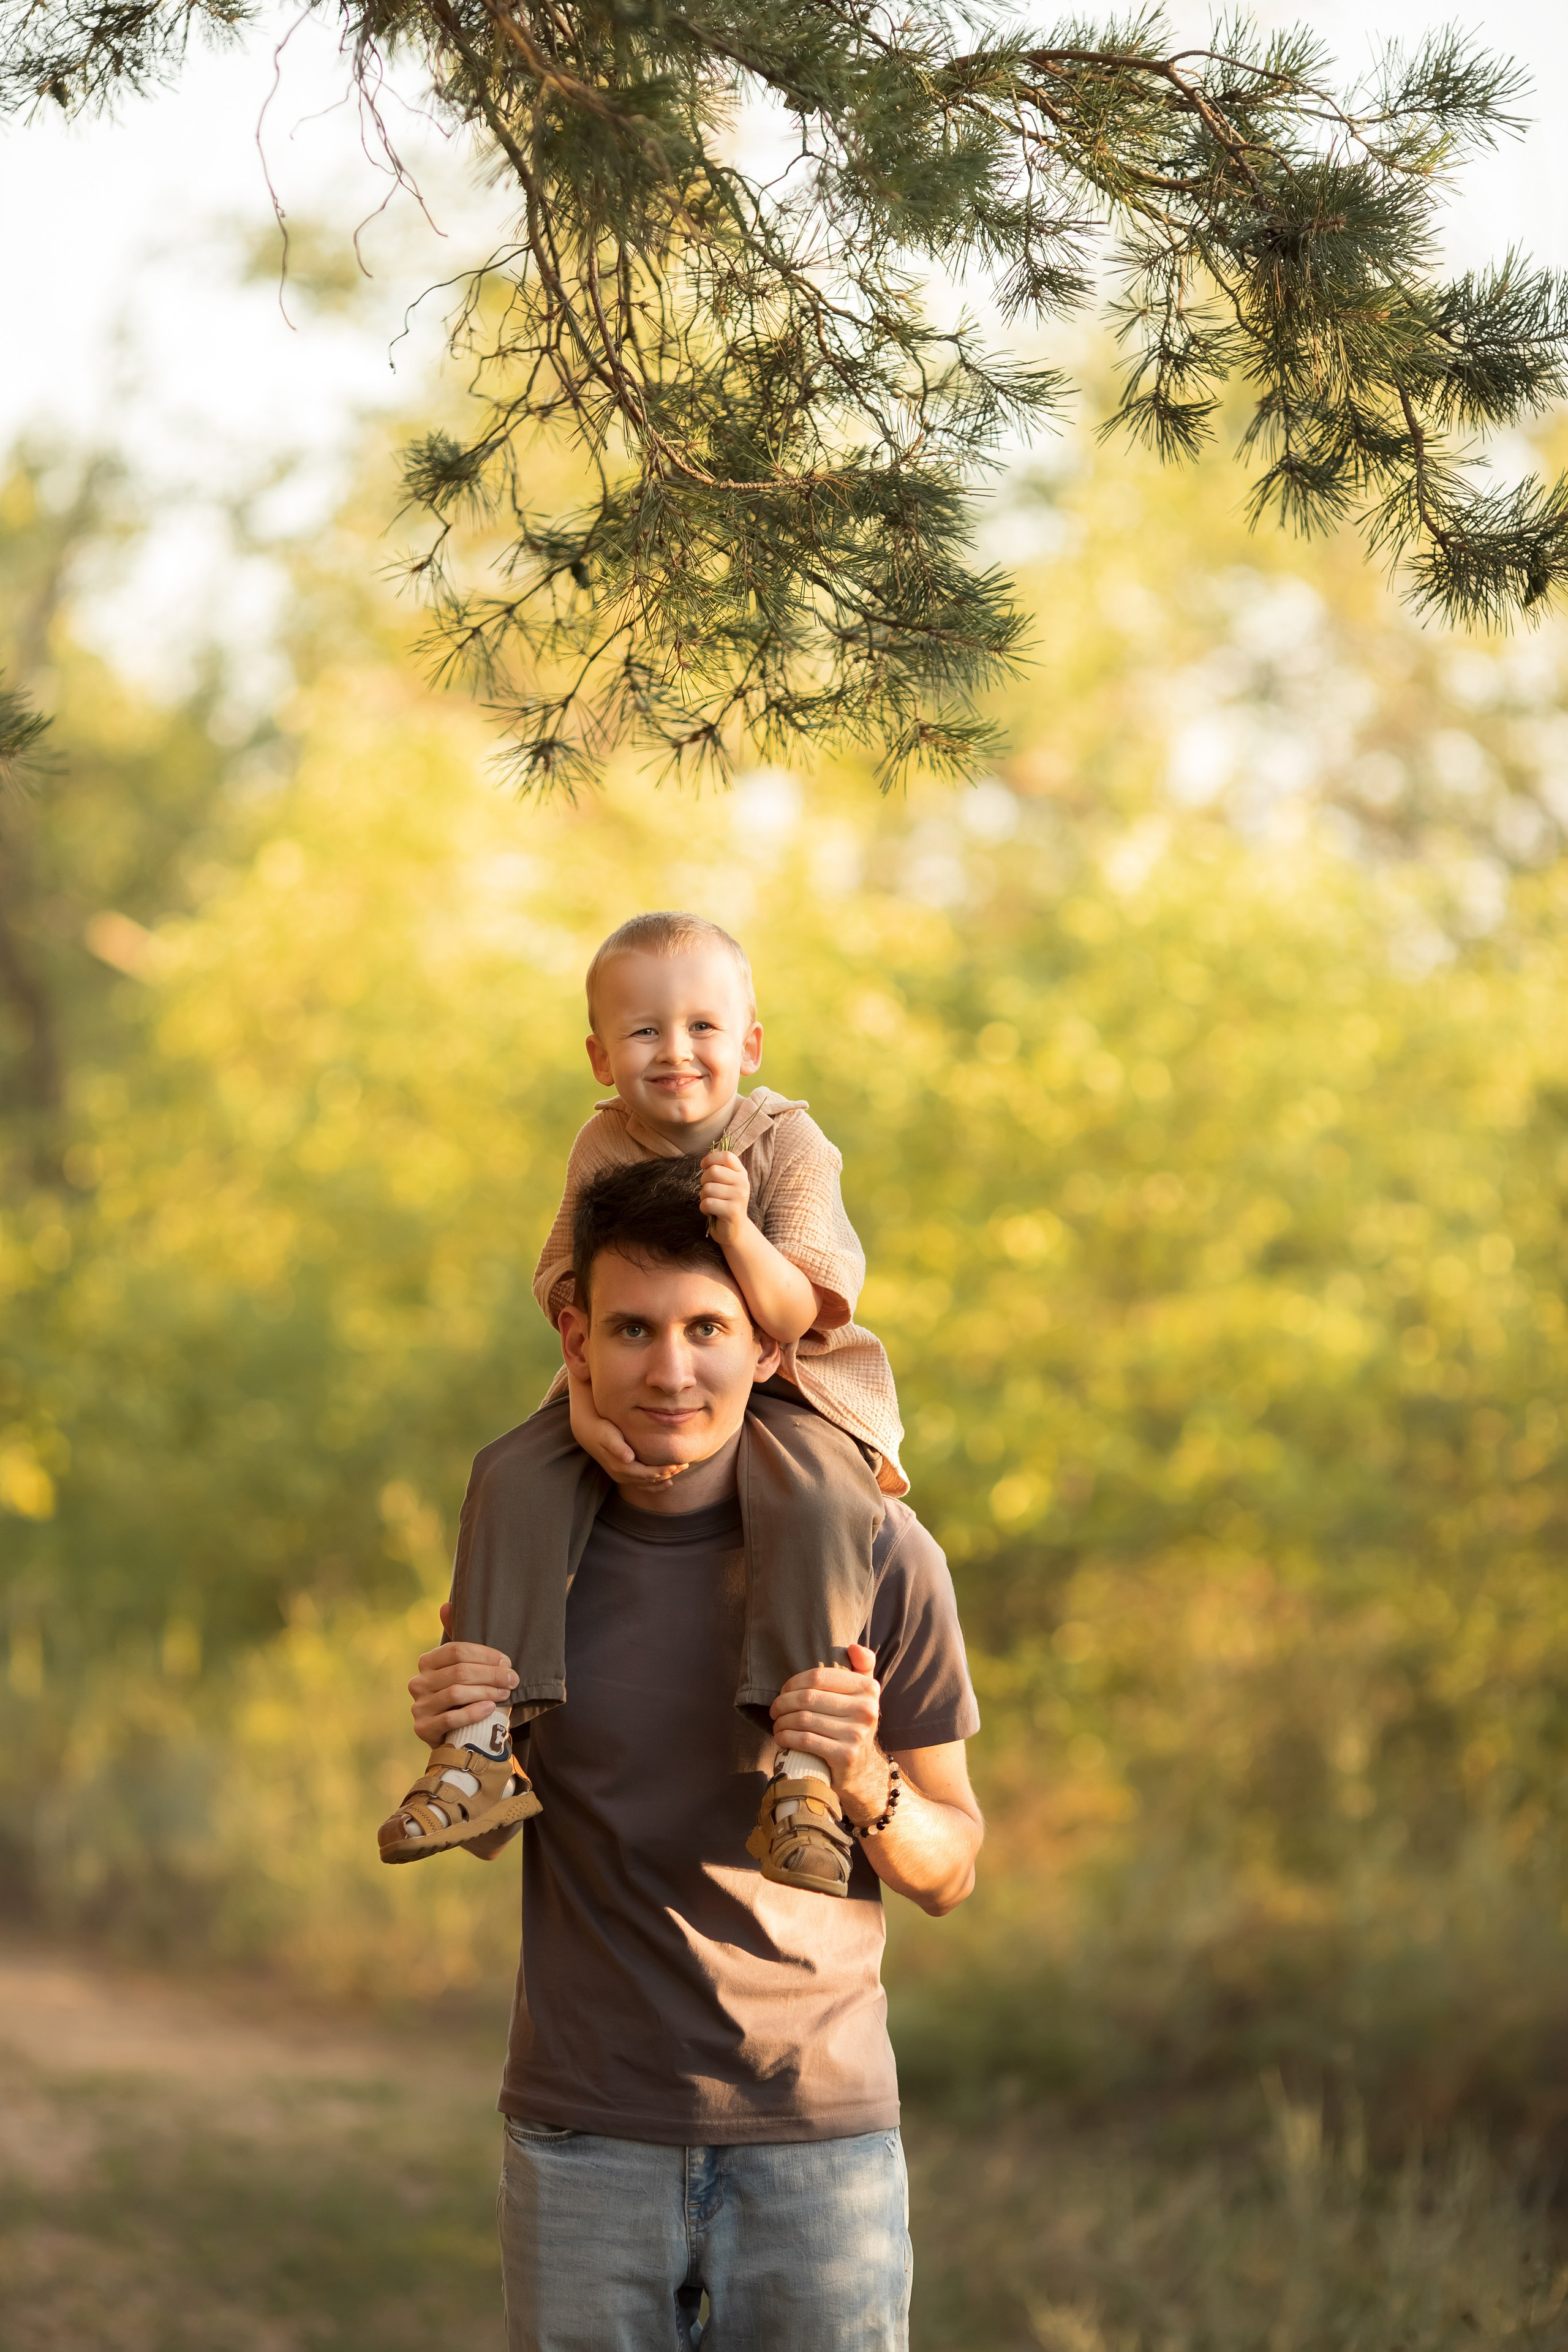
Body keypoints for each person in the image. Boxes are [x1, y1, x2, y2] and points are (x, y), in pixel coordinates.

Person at [404, 1158, 982, 2350]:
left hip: (819, 2146)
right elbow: (486, 1841)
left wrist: (866, 1783)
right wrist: (460, 1724)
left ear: (767, 1344)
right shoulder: (527, 1545)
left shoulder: (880, 1555)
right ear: (576, 1336)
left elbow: (949, 1869)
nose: (670, 1369)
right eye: (633, 1329)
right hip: (582, 2138)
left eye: (707, 1327)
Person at [379, 910, 910, 1897]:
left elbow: (797, 1309)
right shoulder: (601, 1147)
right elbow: (562, 1289)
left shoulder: (788, 1144)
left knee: (823, 1498)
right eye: (644, 1032)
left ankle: (800, 1771)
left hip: (791, 1381)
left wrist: (739, 1229)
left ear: (749, 1043)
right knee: (510, 1473)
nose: (676, 1052)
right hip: (624, 1385)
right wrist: (584, 1414)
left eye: (704, 1028)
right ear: (599, 1054)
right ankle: (483, 1742)